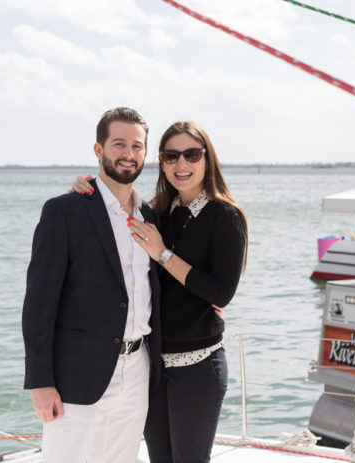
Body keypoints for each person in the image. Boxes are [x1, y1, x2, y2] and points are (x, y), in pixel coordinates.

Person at [71, 121, 247, 463]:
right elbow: (113, 219)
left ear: (207, 159)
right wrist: (85, 189)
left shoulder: (225, 216)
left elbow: (221, 293)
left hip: (198, 367)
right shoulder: (158, 212)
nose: (181, 165)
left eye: (191, 155)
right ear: (162, 162)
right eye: (171, 156)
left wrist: (164, 254)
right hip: (152, 367)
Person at [22, 107, 162, 463]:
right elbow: (39, 303)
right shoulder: (65, 211)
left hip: (138, 370)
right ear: (99, 150)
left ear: (146, 153)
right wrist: (40, 381)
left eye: (137, 146)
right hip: (77, 375)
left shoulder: (153, 217)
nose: (128, 154)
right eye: (119, 144)